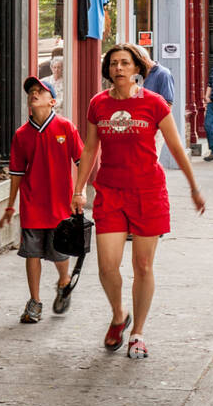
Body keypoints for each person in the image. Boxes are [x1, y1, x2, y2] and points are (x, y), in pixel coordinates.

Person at [71, 44, 205, 359]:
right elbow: (90, 150)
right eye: (113, 63)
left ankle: (138, 333)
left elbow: (175, 146)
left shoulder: (155, 104)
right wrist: (78, 190)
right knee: (107, 266)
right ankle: (119, 315)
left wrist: (193, 186)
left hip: (148, 192)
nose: (118, 68)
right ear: (108, 70)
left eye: (125, 63)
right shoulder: (98, 105)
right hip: (110, 192)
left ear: (137, 69)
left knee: (143, 265)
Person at [0, 77, 85, 321]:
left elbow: (82, 161)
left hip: (61, 205)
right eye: (31, 92)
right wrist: (10, 204)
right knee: (32, 253)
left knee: (60, 254)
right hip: (32, 204)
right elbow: (16, 173)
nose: (34, 94)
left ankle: (64, 281)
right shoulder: (21, 134)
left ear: (52, 101)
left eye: (40, 91)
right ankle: (34, 302)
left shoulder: (66, 128)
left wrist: (80, 192)